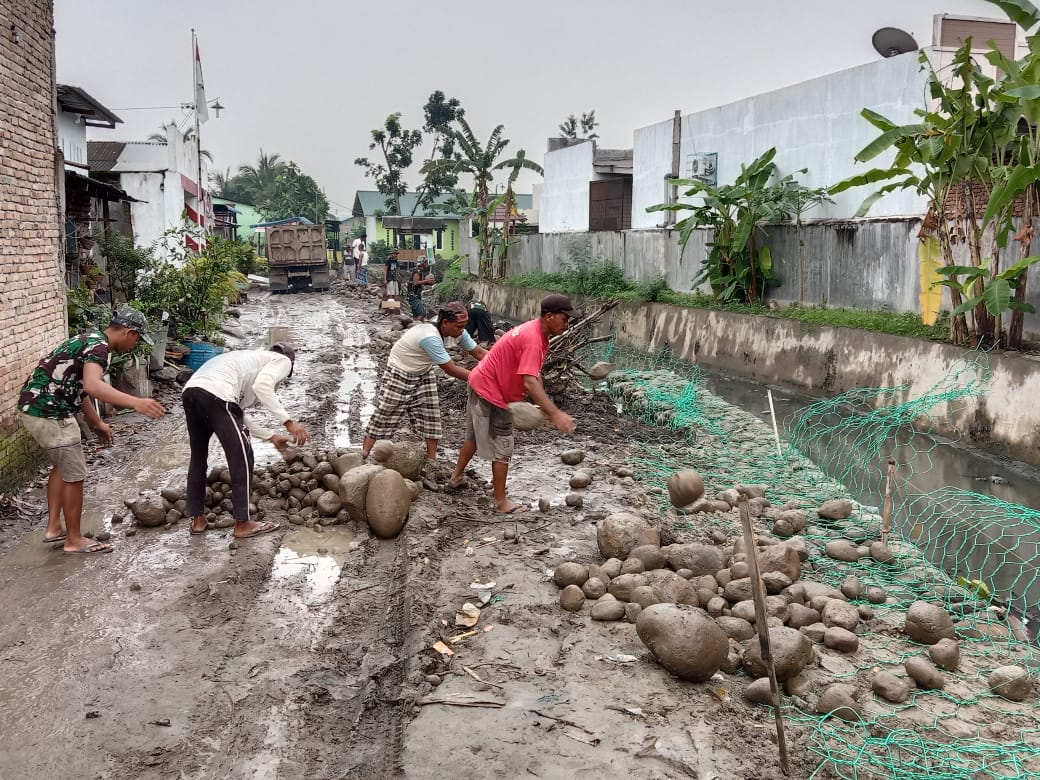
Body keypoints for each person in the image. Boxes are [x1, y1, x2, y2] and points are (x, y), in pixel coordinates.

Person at [17, 307, 166, 554]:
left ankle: (54, 528)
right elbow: (93, 385)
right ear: (128, 332)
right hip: (49, 411)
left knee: (63, 466)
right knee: (75, 474)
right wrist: (136, 402)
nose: (134, 345)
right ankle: (74, 540)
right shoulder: (99, 349)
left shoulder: (89, 339)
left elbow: (80, 389)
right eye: (137, 339)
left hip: (37, 407)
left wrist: (97, 423)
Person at [448, 294, 579, 514]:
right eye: (564, 318)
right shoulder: (533, 339)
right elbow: (529, 381)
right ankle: (501, 503)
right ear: (549, 316)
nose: (567, 323)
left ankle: (456, 477)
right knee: (504, 446)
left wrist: (543, 407)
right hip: (491, 391)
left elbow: (533, 373)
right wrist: (556, 414)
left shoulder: (535, 332)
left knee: (473, 437)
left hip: (480, 381)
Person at [181, 343, 310, 539]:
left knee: (198, 458)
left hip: (191, 393)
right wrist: (289, 422)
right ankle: (243, 523)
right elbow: (262, 386)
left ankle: (198, 520)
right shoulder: (282, 360)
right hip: (216, 396)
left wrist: (271, 436)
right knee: (242, 456)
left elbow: (236, 415)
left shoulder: (246, 361)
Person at [362, 302, 487, 461]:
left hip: (423, 370)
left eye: (464, 326)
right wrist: (483, 380)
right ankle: (364, 453)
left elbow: (478, 352)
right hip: (400, 370)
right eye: (459, 326)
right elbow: (451, 369)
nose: (462, 330)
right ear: (445, 322)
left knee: (431, 415)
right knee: (385, 412)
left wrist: (500, 363)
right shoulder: (430, 337)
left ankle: (431, 460)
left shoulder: (457, 332)